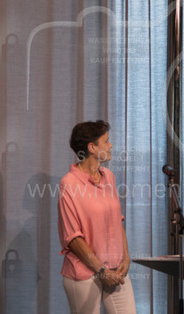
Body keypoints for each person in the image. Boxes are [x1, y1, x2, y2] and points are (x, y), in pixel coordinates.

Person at [58, 120, 136, 313]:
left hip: (116, 270)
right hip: (84, 274)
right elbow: (73, 238)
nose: (111, 145)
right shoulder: (69, 184)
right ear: (91, 147)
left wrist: (126, 258)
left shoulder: (109, 176)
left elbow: (117, 221)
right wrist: (101, 270)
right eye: (106, 141)